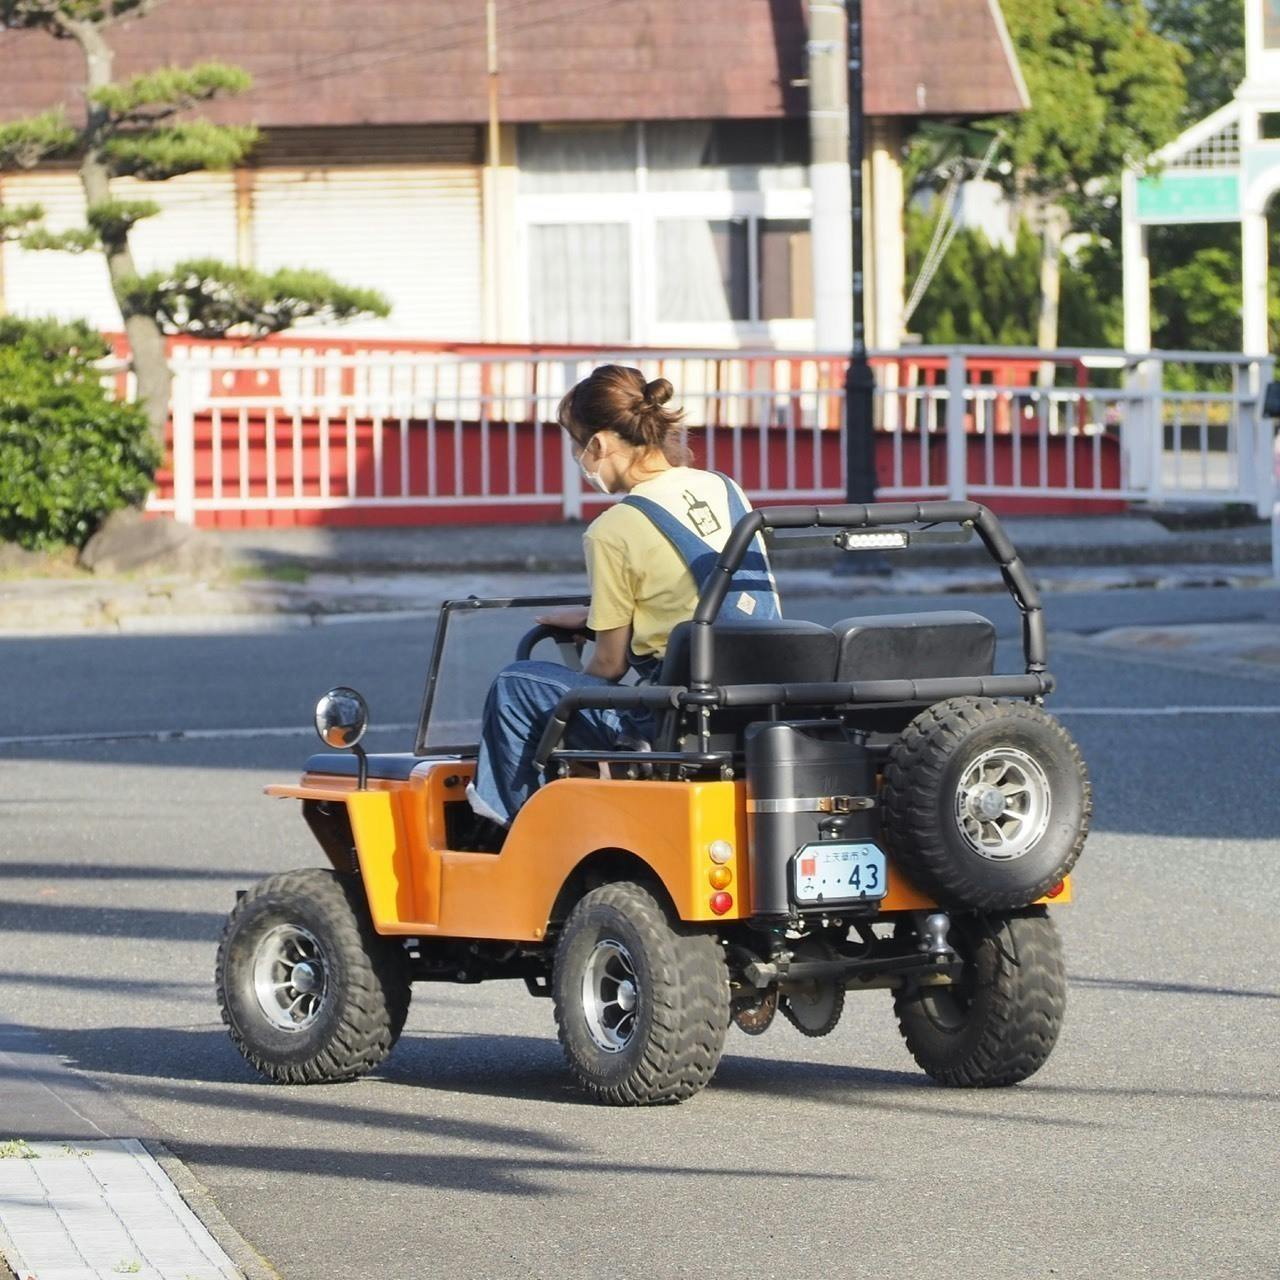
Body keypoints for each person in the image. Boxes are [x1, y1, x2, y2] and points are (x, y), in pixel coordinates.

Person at [466, 363, 779, 832]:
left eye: (576, 446)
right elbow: (693, 591)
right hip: (753, 703)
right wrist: (598, 617)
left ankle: (515, 829)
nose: (578, 461)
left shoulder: (613, 529)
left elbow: (608, 668)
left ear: (598, 444)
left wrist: (602, 636)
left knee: (516, 684)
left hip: (674, 719)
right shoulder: (724, 488)